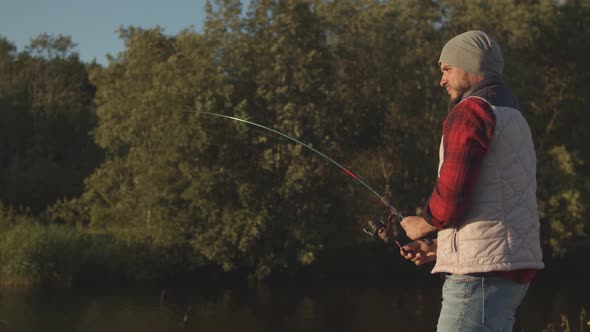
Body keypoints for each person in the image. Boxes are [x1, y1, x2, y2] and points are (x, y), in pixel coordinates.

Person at [398, 30, 544, 332]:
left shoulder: (471, 111)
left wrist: (422, 225)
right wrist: (442, 246)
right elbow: (497, 203)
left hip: (479, 277)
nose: (442, 80)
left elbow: (451, 196)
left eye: (446, 68)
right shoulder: (513, 115)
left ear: (470, 64)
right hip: (508, 269)